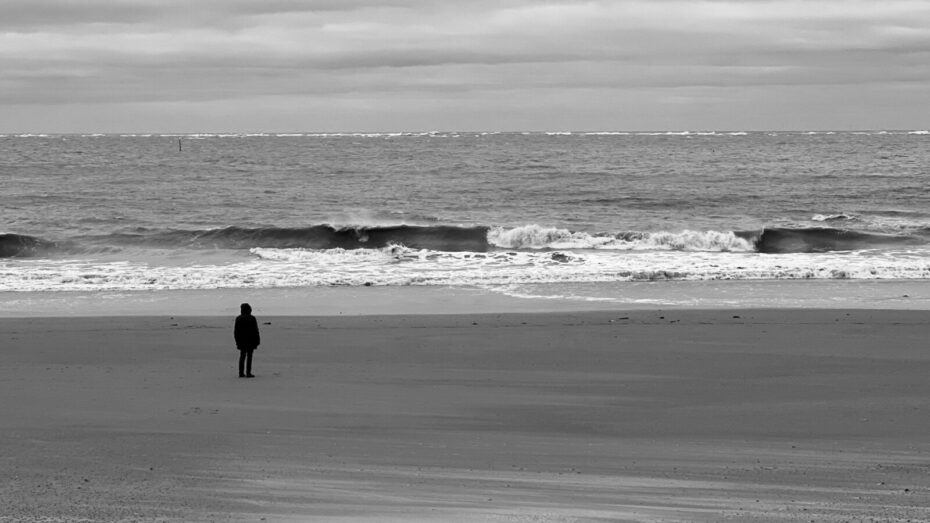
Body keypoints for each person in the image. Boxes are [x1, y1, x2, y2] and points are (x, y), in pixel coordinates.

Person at [234, 303, 260, 378]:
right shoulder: (252, 318)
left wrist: (237, 341)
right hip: (250, 340)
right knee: (249, 356)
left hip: (241, 341)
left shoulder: (238, 318)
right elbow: (255, 330)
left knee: (242, 356)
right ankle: (248, 372)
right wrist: (257, 340)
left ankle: (241, 373)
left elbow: (236, 332)